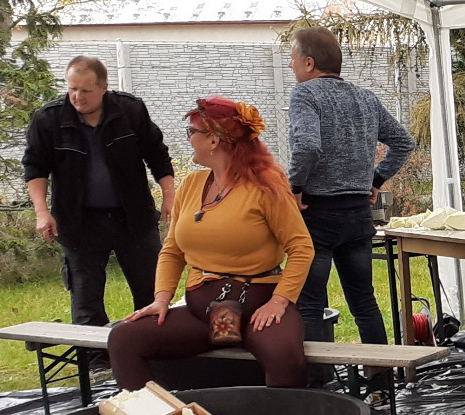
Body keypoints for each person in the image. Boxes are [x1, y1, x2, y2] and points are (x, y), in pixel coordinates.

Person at [109, 98, 314, 389]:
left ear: (214, 140)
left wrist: (279, 302)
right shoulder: (192, 184)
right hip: (202, 311)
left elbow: (301, 247)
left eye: (192, 132)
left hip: (258, 308)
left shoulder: (266, 186)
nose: (189, 139)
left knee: (285, 357)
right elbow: (172, 251)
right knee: (124, 338)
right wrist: (161, 299)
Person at [23, 56, 175, 328]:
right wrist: (42, 213)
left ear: (104, 88)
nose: (77, 96)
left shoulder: (130, 111)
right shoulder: (49, 119)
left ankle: (151, 348)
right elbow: (35, 168)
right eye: (72, 88)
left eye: (86, 90)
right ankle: (93, 353)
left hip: (133, 216)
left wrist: (170, 197)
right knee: (86, 299)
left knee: (152, 291)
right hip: (79, 221)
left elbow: (157, 155)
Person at [286, 24, 416, 344]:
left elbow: (307, 146)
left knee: (309, 307)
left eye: (293, 58)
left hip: (316, 214)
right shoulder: (366, 98)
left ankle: (318, 376)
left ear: (309, 63)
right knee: (364, 303)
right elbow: (404, 142)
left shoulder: (305, 94)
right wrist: (375, 180)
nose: (289, 65)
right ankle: (381, 376)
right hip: (358, 216)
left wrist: (294, 188)